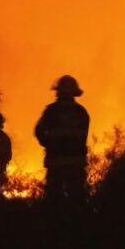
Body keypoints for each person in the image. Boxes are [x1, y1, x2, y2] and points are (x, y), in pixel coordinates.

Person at [34, 75, 90, 204]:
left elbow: (38, 131)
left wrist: (48, 144)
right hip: (76, 163)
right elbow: (83, 137)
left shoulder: (51, 111)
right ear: (75, 93)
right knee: (77, 199)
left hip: (55, 162)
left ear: (59, 91)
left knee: (54, 199)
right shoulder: (81, 112)